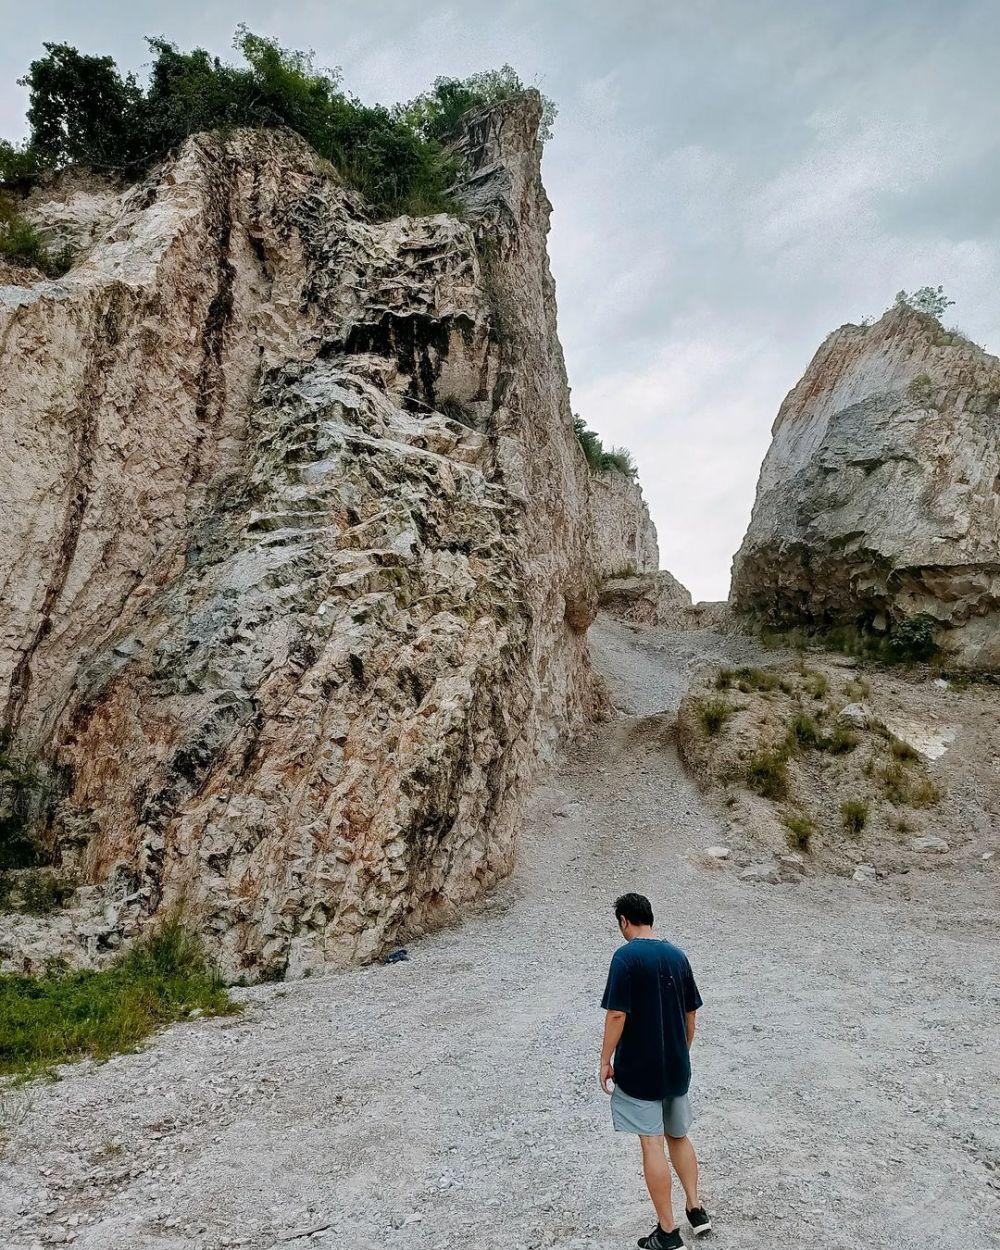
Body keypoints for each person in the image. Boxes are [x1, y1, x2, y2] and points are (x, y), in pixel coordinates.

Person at [600, 892, 710, 1249]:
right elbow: (691, 1013)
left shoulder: (625, 958)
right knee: (678, 1135)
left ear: (623, 922)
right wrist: (683, 1051)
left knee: (652, 1142)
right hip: (676, 1064)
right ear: (651, 917)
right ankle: (696, 1209)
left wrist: (605, 1059)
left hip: (640, 1069)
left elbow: (617, 1014)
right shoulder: (678, 955)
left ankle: (667, 1232)